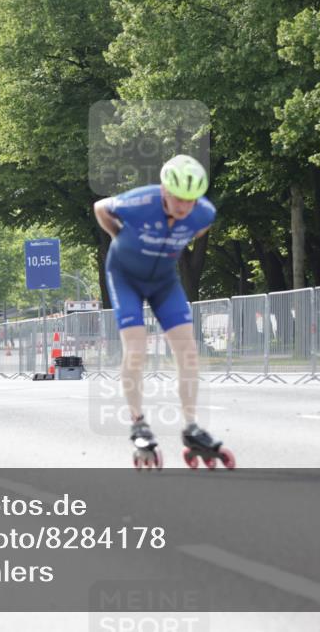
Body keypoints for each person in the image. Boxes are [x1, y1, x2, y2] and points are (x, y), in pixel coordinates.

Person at [93, 154, 234, 470]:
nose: (185, 206)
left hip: (164, 281)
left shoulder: (203, 214)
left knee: (188, 352)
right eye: (178, 198)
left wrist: (171, 246)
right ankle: (138, 423)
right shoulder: (140, 201)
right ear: (164, 191)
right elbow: (100, 208)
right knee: (137, 348)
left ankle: (192, 426)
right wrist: (120, 237)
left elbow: (197, 229)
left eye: (191, 200)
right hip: (125, 276)